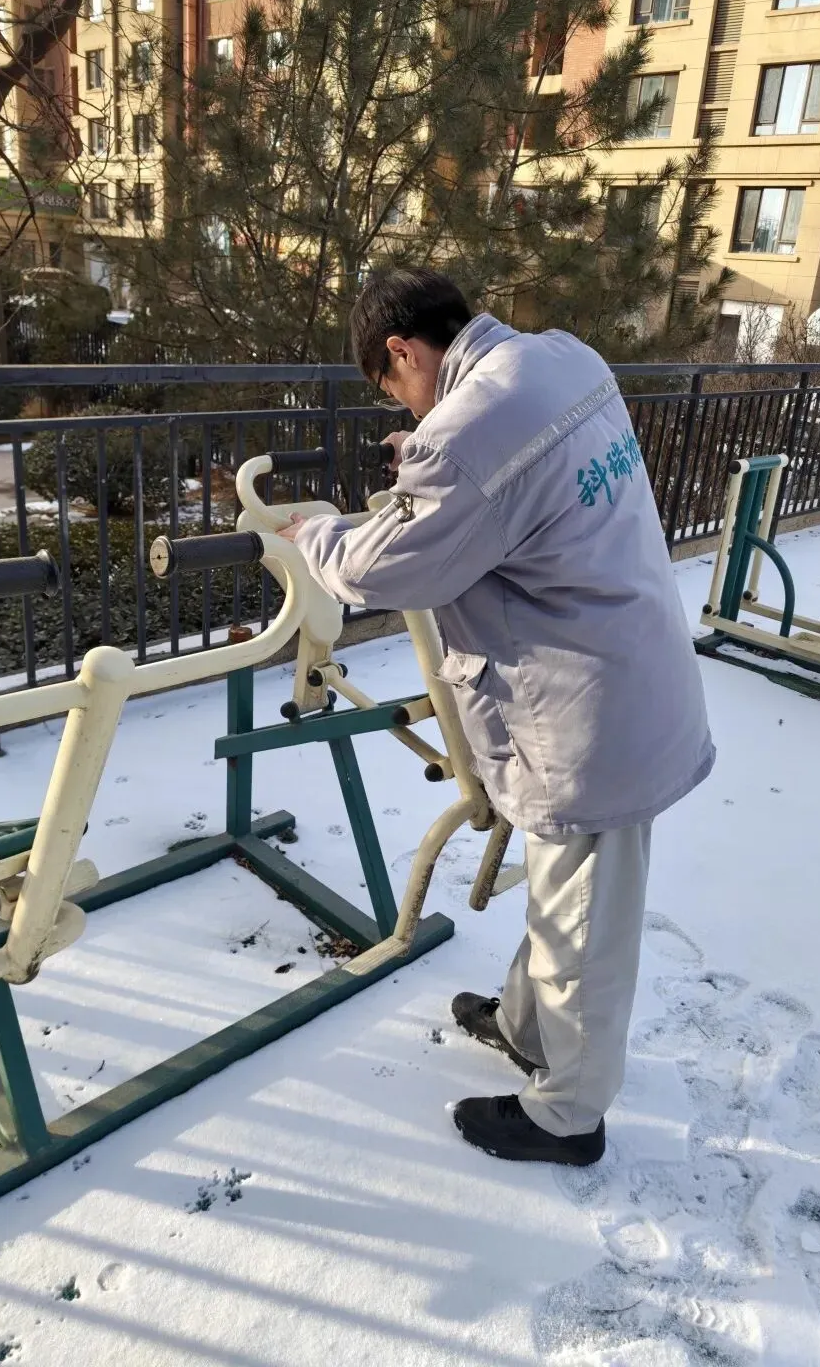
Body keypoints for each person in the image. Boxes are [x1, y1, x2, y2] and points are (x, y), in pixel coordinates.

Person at [278, 268, 714, 1166]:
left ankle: (569, 1116)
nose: (400, 403)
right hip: (623, 664)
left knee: (583, 922)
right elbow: (510, 468)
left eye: (391, 386)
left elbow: (378, 572)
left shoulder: (470, 436)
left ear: (402, 351)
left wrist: (310, 536)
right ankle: (524, 1026)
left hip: (590, 709)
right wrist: (427, 450)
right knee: (568, 891)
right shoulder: (560, 359)